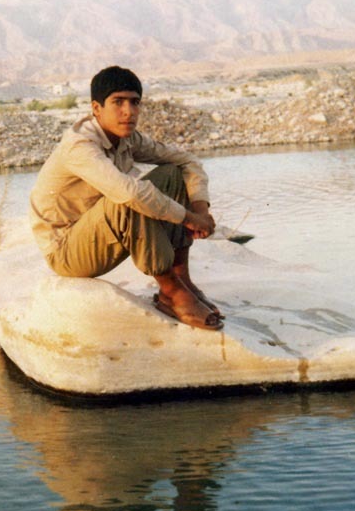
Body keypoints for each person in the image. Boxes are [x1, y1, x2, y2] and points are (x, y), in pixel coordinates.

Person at [29, 65, 224, 330]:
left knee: (171, 173)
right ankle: (170, 291)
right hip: (66, 252)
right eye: (118, 102)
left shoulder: (127, 138)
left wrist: (201, 210)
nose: (128, 112)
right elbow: (128, 193)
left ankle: (182, 279)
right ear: (96, 108)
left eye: (135, 102)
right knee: (128, 197)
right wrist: (188, 218)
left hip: (97, 232)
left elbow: (186, 160)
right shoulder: (79, 145)